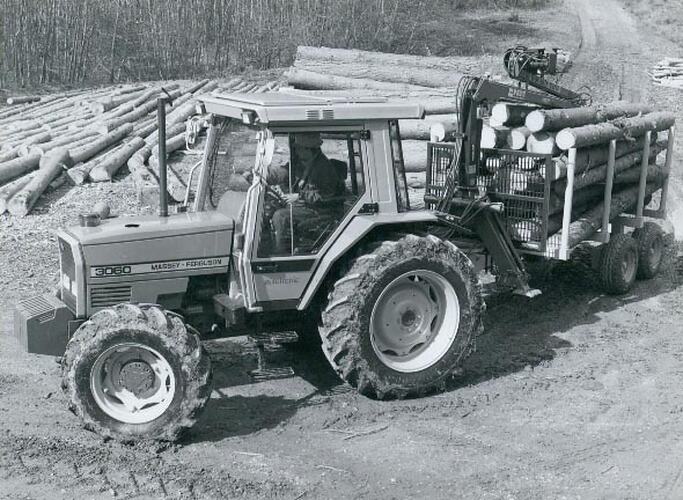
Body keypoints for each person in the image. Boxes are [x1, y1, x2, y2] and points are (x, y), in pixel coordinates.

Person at [271, 133, 346, 254]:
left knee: (281, 216)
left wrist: (299, 196)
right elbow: (284, 172)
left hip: (320, 211)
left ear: (308, 149)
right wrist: (266, 175)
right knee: (271, 208)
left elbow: (325, 195)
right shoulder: (302, 162)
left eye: (298, 148)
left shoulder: (324, 168)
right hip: (307, 206)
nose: (295, 150)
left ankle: (281, 255)